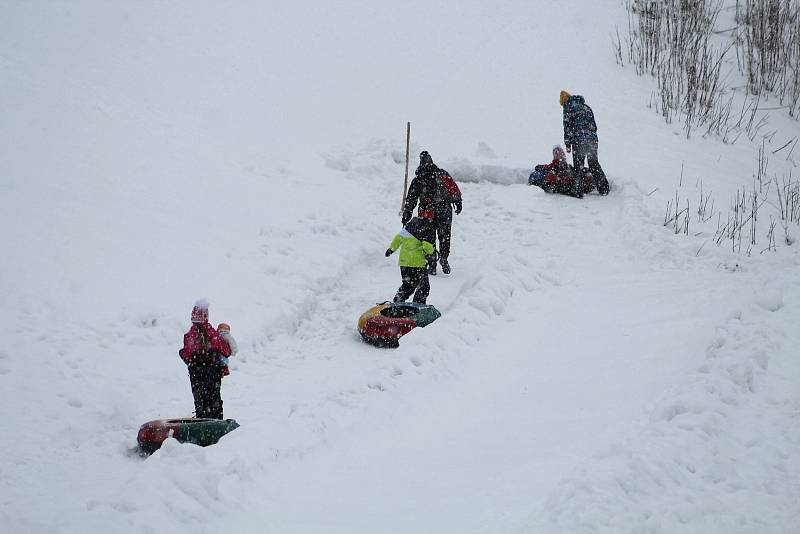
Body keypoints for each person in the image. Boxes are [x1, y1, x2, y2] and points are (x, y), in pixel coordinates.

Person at [178, 300, 231, 419]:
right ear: (206, 317)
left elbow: (186, 354)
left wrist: (183, 354)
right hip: (213, 371)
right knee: (214, 397)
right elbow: (226, 351)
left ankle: (202, 420)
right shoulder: (214, 335)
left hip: (196, 372)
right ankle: (216, 422)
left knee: (199, 398)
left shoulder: (189, 336)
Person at [560, 90, 610, 195]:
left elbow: (567, 128)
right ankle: (604, 188)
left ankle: (578, 190)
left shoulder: (568, 107)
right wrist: (589, 136)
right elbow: (594, 126)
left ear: (564, 101)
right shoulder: (586, 107)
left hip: (579, 140)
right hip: (592, 139)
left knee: (578, 165)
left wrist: (568, 144)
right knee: (593, 163)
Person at [385, 215, 436, 304]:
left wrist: (391, 249)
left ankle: (399, 299)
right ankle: (418, 304)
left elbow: (398, 238)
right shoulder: (427, 228)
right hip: (417, 263)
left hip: (404, 263)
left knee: (408, 284)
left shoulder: (409, 226)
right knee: (424, 286)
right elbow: (427, 247)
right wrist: (432, 252)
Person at [431, 166, 462, 275]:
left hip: (428, 210)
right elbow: (453, 189)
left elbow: (413, 193)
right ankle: (443, 258)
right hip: (444, 209)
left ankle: (432, 262)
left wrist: (408, 210)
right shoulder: (442, 174)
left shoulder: (422, 175)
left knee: (429, 237)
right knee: (445, 236)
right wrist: (458, 201)